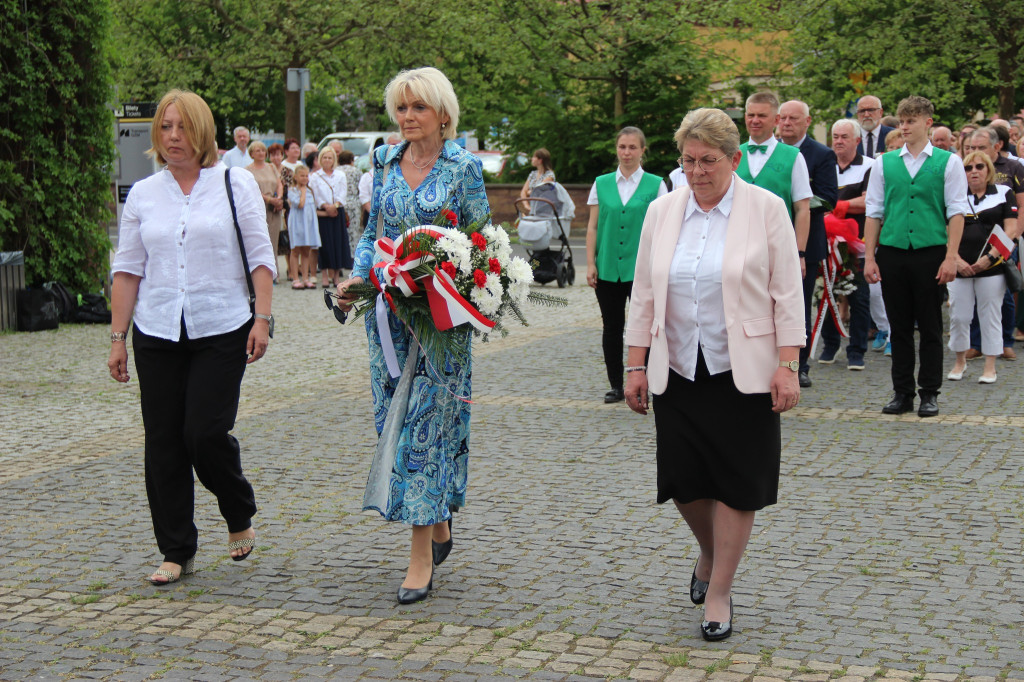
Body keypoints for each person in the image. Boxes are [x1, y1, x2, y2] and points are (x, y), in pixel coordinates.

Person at [624, 108, 804, 642]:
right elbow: (644, 293)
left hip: (742, 368)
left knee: (738, 483)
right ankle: (708, 550)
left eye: (708, 161)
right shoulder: (662, 210)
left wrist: (788, 366)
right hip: (677, 364)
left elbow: (787, 296)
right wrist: (635, 365)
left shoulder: (766, 209)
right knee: (684, 480)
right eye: (688, 160)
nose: (697, 171)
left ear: (734, 159)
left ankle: (720, 588)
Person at [107, 89, 275, 585]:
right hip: (156, 328)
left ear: (202, 132)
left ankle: (237, 505)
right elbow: (127, 270)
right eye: (165, 127)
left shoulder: (234, 184)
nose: (172, 137)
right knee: (162, 442)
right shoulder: (143, 193)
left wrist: (262, 319)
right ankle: (176, 549)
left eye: (182, 127)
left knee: (203, 432)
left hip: (221, 325)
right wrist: (118, 337)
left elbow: (261, 255)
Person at [336, 67, 489, 605]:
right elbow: (373, 233)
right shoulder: (382, 163)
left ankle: (419, 557)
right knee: (394, 426)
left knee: (425, 429)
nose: (406, 118)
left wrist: (446, 282)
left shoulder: (463, 167)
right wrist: (357, 281)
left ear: (442, 114)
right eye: (400, 108)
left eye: (417, 108)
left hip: (443, 325)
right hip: (389, 323)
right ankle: (438, 516)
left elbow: (480, 244)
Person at [863, 96, 968, 417]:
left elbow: (956, 212)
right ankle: (902, 392)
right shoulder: (884, 162)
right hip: (893, 252)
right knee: (899, 326)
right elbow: (874, 212)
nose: (904, 127)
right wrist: (870, 257)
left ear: (927, 123)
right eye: (902, 121)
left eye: (911, 121)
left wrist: (951, 257)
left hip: (931, 252)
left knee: (931, 325)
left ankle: (929, 392)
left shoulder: (947, 162)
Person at [585, 126, 667, 403]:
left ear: (643, 151)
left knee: (649, 326)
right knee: (612, 327)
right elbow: (593, 227)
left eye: (633, 147)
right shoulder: (602, 183)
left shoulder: (656, 185)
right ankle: (616, 385)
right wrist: (590, 263)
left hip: (642, 269)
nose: (627, 152)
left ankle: (652, 380)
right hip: (607, 266)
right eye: (622, 147)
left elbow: (663, 230)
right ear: (616, 149)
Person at [737, 93, 812, 382]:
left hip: (777, 247)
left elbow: (802, 208)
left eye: (762, 115)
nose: (754, 121)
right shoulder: (734, 153)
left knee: (786, 305)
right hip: (740, 245)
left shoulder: (793, 157)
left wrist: (799, 253)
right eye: (750, 115)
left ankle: (795, 366)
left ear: (776, 120)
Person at [778, 100, 838, 377]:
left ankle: (798, 365)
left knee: (798, 307)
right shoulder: (769, 153)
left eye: (793, 118)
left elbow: (828, 198)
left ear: (807, 121)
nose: (787, 123)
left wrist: (792, 202)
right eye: (783, 118)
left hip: (806, 243)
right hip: (768, 239)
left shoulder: (822, 154)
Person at [947, 152, 1019, 384]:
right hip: (959, 265)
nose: (974, 171)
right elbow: (942, 229)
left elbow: (1011, 230)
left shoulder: (1003, 193)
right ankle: (960, 361)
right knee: (959, 315)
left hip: (992, 266)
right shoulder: (953, 194)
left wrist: (989, 258)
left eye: (979, 166)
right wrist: (955, 259)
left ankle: (990, 366)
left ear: (988, 170)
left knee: (990, 315)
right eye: (968, 168)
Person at [819, 118, 875, 369]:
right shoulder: (824, 163)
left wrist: (839, 206)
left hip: (858, 244)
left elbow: (870, 201)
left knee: (859, 299)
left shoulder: (870, 166)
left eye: (844, 137)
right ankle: (829, 345)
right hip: (826, 242)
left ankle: (857, 350)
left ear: (857, 141)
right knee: (826, 295)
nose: (839, 141)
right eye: (835, 136)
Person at [309, 146, 349, 288]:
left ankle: (336, 275)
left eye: (329, 157)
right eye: (324, 157)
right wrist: (326, 206)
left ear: (334, 160)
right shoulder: (315, 176)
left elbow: (343, 192)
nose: (327, 160)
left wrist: (336, 205)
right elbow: (315, 195)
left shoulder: (340, 175)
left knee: (338, 244)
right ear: (320, 159)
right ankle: (325, 275)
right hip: (323, 213)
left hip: (337, 211)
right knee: (325, 245)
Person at [245, 141, 284, 283]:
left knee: (273, 241)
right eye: (258, 150)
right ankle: (259, 273)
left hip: (274, 208)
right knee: (260, 240)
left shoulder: (272, 167)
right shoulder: (248, 170)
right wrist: (269, 199)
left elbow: (279, 183)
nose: (261, 153)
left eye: (263, 150)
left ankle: (275, 273)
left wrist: (279, 198)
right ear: (252, 154)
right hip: (258, 207)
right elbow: (252, 190)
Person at [287, 164, 321, 289]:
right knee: (295, 250)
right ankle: (295, 278)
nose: (305, 178)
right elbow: (300, 204)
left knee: (306, 251)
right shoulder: (292, 190)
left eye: (306, 175)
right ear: (295, 177)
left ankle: (306, 278)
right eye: (302, 176)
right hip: (297, 223)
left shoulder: (310, 190)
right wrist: (302, 192)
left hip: (308, 224)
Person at [337, 149, 364, 258]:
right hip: (354, 202)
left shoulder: (336, 171)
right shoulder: (357, 171)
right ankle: (352, 256)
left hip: (340, 203)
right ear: (351, 160)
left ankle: (341, 255)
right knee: (353, 231)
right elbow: (360, 187)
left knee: (341, 231)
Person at [518, 148, 556, 212]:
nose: (532, 159)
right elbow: (523, 192)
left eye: (534, 157)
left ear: (540, 160)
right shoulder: (533, 174)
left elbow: (536, 192)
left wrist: (529, 192)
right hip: (531, 208)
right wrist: (526, 205)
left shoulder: (549, 175)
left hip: (543, 209)